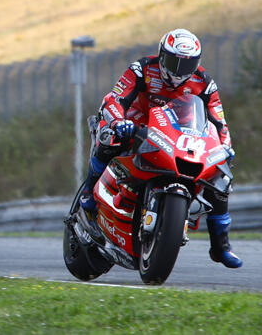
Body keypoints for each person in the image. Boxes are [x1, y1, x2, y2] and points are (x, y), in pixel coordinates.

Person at [78, 28, 242, 268]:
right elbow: (116, 98)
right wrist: (117, 121)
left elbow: (219, 121)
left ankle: (221, 246)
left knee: (221, 177)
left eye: (187, 64)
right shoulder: (143, 68)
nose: (178, 71)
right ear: (162, 56)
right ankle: (88, 192)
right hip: (135, 124)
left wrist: (225, 147)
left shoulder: (204, 83)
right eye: (174, 61)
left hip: (178, 136)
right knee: (109, 137)